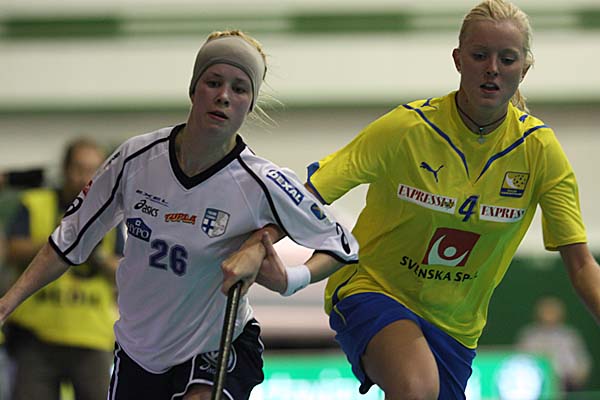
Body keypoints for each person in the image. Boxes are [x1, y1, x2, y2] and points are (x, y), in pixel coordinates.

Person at [0, 30, 358, 400]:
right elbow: (67, 241)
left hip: (214, 344)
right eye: (213, 82)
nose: (223, 96)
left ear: (249, 105)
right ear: (193, 89)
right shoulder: (135, 159)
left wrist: (290, 280)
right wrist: (6, 304)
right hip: (139, 350)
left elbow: (343, 246)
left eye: (239, 89)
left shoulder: (263, 180)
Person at [273, 1, 600, 399]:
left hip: (455, 327)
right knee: (417, 387)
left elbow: (582, 264)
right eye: (479, 55)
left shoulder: (540, 152)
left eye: (507, 59)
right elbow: (310, 194)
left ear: (524, 69)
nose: (492, 68)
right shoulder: (406, 128)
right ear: (458, 59)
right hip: (372, 288)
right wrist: (255, 246)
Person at [2, 138, 124, 400]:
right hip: (36, 336)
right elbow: (11, 250)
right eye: (79, 168)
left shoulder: (112, 211)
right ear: (65, 169)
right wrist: (61, 242)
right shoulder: (36, 203)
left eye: (93, 170)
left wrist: (98, 256)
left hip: (92, 336)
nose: (85, 178)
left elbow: (124, 270)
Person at [517, 296, 592, 392]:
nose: (549, 315)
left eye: (552, 311)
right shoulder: (529, 336)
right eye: (546, 311)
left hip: (569, 385)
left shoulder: (570, 336)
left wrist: (579, 376)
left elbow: (583, 362)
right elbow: (521, 361)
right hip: (538, 386)